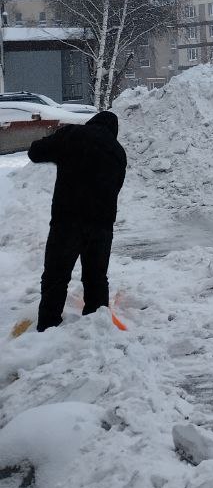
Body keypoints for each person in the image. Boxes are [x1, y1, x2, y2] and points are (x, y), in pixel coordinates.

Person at [28, 111, 127, 332]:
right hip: (101, 226)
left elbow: (35, 152)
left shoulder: (73, 135)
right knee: (96, 278)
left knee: (56, 276)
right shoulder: (118, 152)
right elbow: (116, 187)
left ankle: (48, 326)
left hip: (67, 221)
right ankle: (96, 328)